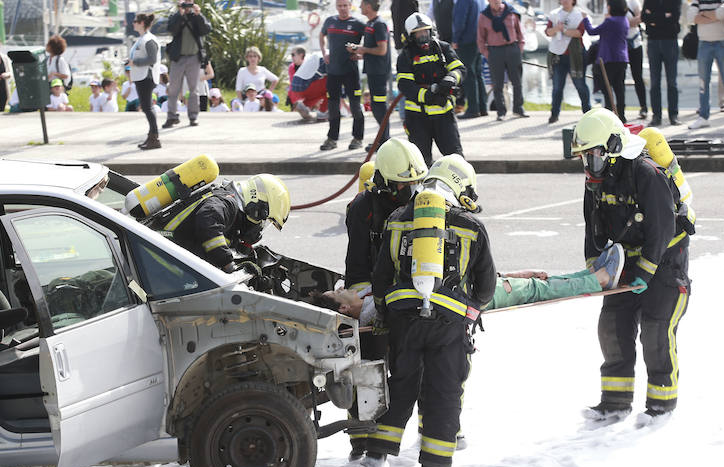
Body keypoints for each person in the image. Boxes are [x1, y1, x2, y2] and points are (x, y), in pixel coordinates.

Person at [367, 153, 496, 467]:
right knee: (443, 391)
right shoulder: (471, 226)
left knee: (400, 385)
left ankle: (378, 454)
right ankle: (435, 466)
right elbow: (486, 286)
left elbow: (381, 277)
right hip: (448, 322)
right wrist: (469, 314)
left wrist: (386, 311)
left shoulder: (397, 218)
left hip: (403, 320)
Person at [571, 107, 691, 425]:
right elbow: (591, 229)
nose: (587, 164)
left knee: (655, 330)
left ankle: (661, 407)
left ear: (611, 148)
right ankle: (614, 403)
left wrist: (645, 271)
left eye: (592, 155)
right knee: (612, 326)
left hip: (664, 260)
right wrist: (593, 270)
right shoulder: (594, 183)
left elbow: (662, 230)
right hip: (625, 260)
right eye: (584, 157)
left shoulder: (646, 174)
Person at [342, 138, 428, 459]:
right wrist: (373, 306)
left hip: (406, 295)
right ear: (383, 183)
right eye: (403, 186)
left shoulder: (422, 203)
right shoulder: (363, 208)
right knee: (367, 368)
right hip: (369, 294)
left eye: (415, 184)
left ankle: (425, 430)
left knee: (414, 368)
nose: (411, 192)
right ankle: (362, 441)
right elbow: (357, 266)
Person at [326, 244, 625, 320]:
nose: (345, 291)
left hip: (466, 284)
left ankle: (589, 276)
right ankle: (600, 279)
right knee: (538, 289)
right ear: (343, 311)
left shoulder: (367, 297)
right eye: (341, 295)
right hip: (469, 296)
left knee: (538, 280)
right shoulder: (371, 309)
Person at [149, 174, 291, 272]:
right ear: (257, 208)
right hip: (158, 257)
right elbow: (208, 223)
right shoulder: (226, 203)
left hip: (167, 257)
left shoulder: (231, 210)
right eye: (264, 221)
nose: (259, 228)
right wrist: (226, 262)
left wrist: (240, 250)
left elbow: (220, 237)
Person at [396, 12, 466, 165]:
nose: (423, 35)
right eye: (418, 33)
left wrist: (451, 78)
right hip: (417, 118)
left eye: (425, 31)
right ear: (410, 35)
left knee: (456, 159)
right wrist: (427, 95)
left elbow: (460, 69)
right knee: (420, 163)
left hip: (444, 114)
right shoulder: (406, 56)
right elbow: (405, 85)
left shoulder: (443, 48)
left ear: (431, 31)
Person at [319, 0, 365, 151]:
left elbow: (372, 42)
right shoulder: (330, 21)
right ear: (336, 6)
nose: (343, 8)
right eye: (340, 5)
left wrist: (361, 54)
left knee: (355, 106)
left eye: (345, 5)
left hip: (351, 71)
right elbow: (321, 35)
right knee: (333, 106)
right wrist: (324, 51)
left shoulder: (358, 23)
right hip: (333, 71)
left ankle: (357, 138)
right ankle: (332, 139)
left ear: (350, 6)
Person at [164, 0, 211, 128]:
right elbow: (171, 29)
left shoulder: (196, 16)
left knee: (193, 89)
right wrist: (180, 13)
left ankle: (193, 116)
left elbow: (206, 30)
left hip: (193, 57)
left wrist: (199, 15)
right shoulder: (176, 16)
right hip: (178, 58)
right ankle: (172, 116)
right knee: (173, 88)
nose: (187, 4)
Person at [350, 0, 391, 150]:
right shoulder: (371, 24)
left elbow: (382, 50)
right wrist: (361, 55)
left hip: (379, 73)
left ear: (368, 6)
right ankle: (383, 140)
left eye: (361, 5)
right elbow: (374, 51)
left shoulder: (379, 24)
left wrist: (362, 49)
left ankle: (385, 141)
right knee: (376, 106)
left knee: (379, 107)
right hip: (374, 71)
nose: (359, 7)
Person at [478, 0, 527, 120]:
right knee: (497, 84)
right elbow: (480, 38)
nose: (495, 1)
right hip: (495, 52)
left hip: (512, 49)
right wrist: (487, 54)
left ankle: (518, 109)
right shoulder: (483, 16)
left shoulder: (511, 12)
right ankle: (501, 112)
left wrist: (519, 48)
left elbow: (520, 33)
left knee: (517, 82)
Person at [687, 0, 724, 129]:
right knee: (703, 82)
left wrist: (703, 14)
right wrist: (714, 16)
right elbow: (691, 17)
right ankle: (703, 116)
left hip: (723, 42)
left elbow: (723, 13)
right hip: (704, 43)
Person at [583, 0, 630, 122]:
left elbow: (592, 31)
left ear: (610, 7)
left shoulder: (610, 21)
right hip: (622, 58)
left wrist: (585, 19)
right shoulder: (624, 20)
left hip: (608, 59)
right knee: (619, 88)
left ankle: (610, 114)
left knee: (607, 90)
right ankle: (622, 115)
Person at [545, 0, 591, 124]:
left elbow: (580, 32)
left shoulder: (579, 14)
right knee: (557, 87)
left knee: (580, 85)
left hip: (575, 56)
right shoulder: (554, 14)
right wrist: (556, 29)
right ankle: (554, 113)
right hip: (558, 55)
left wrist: (564, 30)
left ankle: (587, 112)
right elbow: (548, 32)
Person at [642, 0, 681, 126]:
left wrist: (654, 19)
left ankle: (673, 115)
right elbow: (644, 17)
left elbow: (674, 17)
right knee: (654, 82)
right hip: (653, 42)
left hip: (670, 41)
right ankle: (656, 116)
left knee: (672, 82)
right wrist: (664, 16)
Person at [452, 0, 488, 120]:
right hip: (476, 39)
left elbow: (460, 20)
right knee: (478, 74)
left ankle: (473, 109)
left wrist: (455, 39)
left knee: (469, 74)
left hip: (466, 41)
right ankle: (483, 107)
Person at [130, 12, 160, 149]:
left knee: (148, 108)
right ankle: (151, 136)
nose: (133, 23)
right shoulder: (142, 39)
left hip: (146, 77)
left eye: (135, 21)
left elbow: (152, 59)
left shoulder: (148, 40)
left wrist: (135, 62)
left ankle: (154, 137)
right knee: (147, 107)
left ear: (142, 23)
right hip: (141, 76)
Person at [289, 49, 329, 120]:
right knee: (332, 84)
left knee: (325, 88)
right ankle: (323, 112)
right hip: (304, 86)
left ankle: (304, 105)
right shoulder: (328, 57)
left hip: (296, 88)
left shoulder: (322, 53)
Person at [624, 0, 648, 120]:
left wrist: (623, 23)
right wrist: (628, 23)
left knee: (637, 76)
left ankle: (644, 107)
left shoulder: (633, 2)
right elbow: (609, 19)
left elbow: (639, 18)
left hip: (635, 43)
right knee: (619, 78)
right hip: (620, 44)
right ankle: (619, 109)